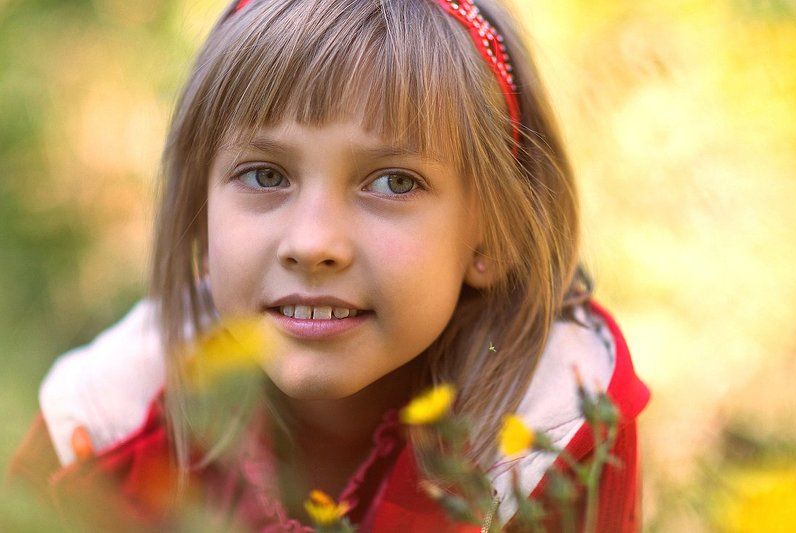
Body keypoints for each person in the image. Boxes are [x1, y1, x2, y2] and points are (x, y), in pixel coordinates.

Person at [8, 0, 650, 531]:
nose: (313, 243)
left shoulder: (553, 437)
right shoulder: (103, 428)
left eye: (394, 182)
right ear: (200, 216)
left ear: (494, 235)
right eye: (265, 175)